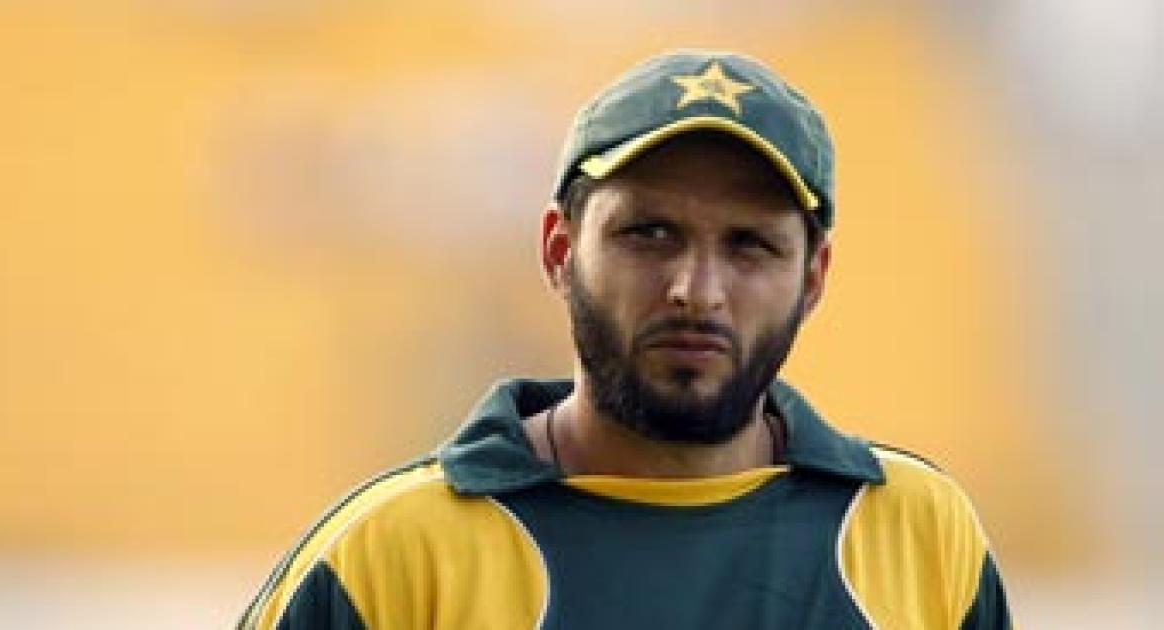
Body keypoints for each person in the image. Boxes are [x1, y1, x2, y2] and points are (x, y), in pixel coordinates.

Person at [236, 49, 1014, 630]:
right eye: (649, 233)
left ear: (813, 278)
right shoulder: (389, 560)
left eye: (749, 245)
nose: (696, 290)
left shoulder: (916, 536)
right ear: (559, 250)